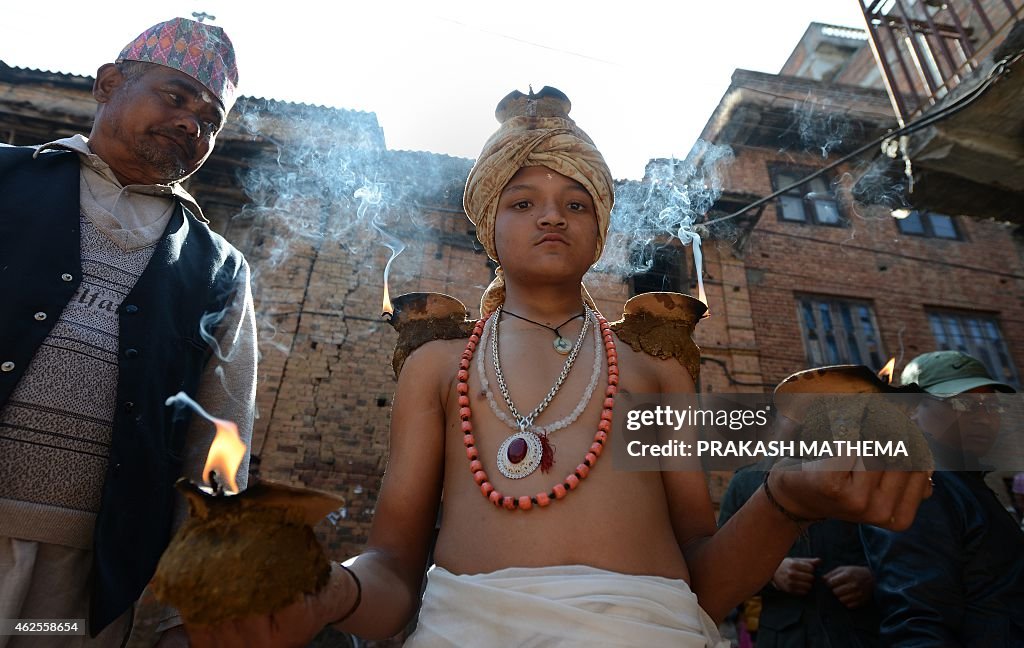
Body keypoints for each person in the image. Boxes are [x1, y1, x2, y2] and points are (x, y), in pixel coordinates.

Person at [187, 86, 928, 647]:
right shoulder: (439, 366)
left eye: (577, 202)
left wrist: (785, 501)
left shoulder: (650, 367)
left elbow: (705, 583)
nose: (552, 216)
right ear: (487, 225)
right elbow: (393, 573)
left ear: (601, 229)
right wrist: (329, 597)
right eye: (523, 200)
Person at [0, 17, 256, 647]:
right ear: (108, 85)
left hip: (83, 584)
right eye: (175, 97)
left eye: (210, 120)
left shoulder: (217, 264)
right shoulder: (7, 180)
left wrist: (186, 607)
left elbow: (220, 438)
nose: (192, 123)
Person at [860, 350, 1024, 646]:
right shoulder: (921, 483)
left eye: (992, 406)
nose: (984, 418)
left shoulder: (964, 480)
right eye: (962, 403)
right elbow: (918, 619)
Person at [719, 414, 882, 647]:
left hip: (855, 635)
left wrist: (872, 578)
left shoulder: (861, 479)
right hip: (783, 638)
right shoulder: (745, 484)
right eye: (795, 415)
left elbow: (907, 559)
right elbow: (721, 568)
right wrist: (771, 574)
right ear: (775, 427)